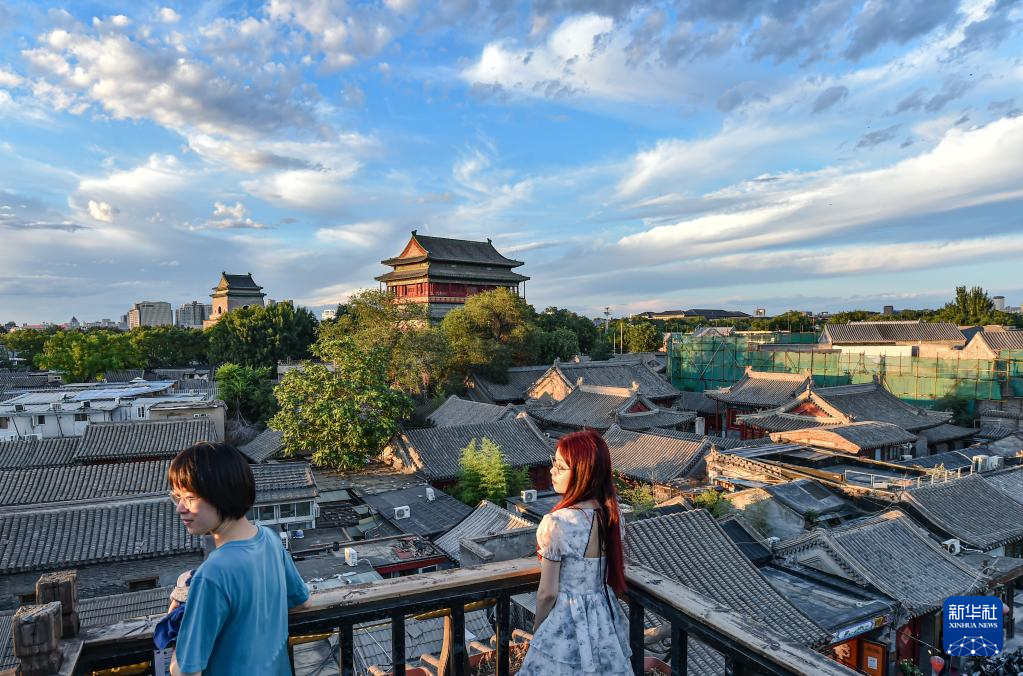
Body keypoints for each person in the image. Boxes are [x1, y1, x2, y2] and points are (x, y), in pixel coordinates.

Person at [167, 442, 312, 676]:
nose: (180, 508)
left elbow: (185, 671)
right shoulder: (270, 539)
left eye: (190, 498)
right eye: (177, 497)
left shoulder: (212, 574)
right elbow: (302, 602)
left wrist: (178, 627)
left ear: (221, 495)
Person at [517, 429, 632, 676]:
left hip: (566, 619)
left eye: (560, 467)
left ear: (583, 473)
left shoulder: (557, 523)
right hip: (604, 617)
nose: (552, 471)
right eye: (554, 463)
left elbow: (547, 593)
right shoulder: (613, 516)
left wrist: (539, 629)